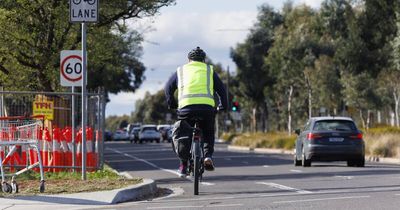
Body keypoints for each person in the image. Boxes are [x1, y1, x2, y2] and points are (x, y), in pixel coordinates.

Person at [165, 46, 228, 177]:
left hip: (185, 109)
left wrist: (171, 103)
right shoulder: (209, 70)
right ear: (203, 60)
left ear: (189, 60)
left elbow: (168, 88)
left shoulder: (181, 70)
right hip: (206, 109)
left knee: (183, 134)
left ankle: (183, 165)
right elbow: (222, 90)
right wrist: (223, 105)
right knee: (208, 131)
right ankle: (207, 156)